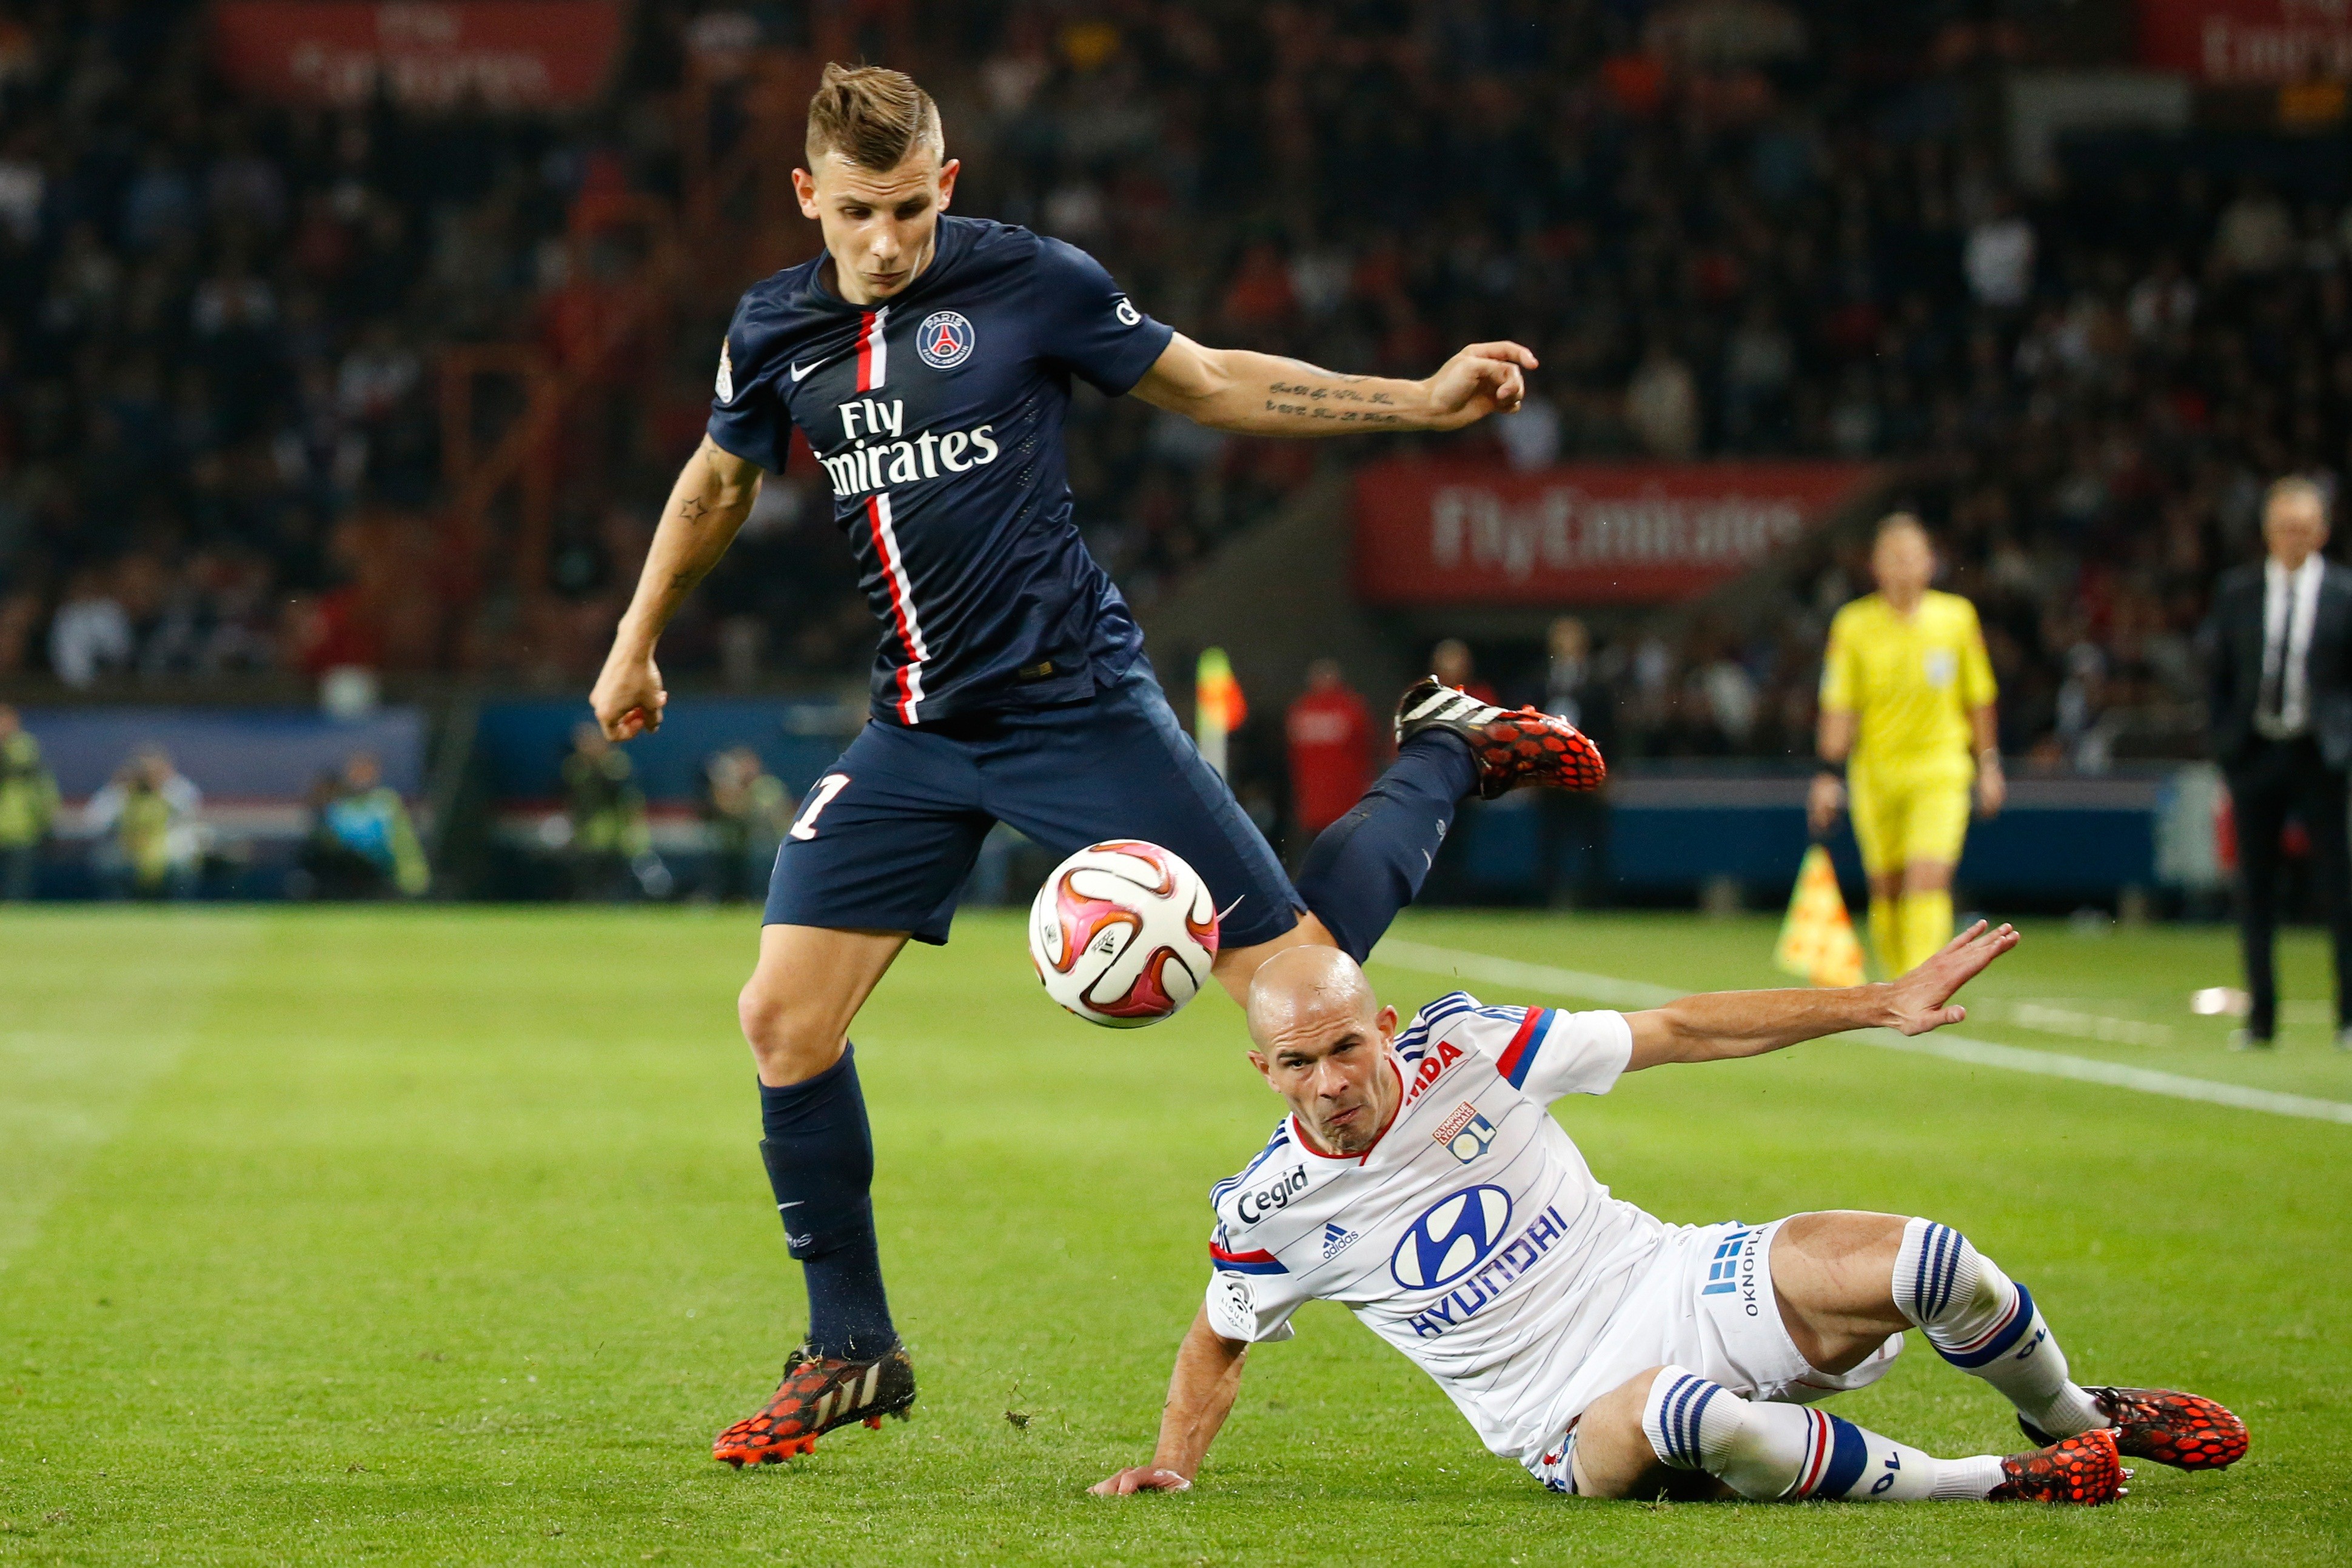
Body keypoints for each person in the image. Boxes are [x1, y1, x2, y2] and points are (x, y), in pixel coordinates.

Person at [585, 62, 1603, 1466]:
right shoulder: (772, 328)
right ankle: (851, 1347)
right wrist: (638, 638)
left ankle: (1439, 751)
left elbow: (1211, 381)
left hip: (1079, 708)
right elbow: (719, 478)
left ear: (946, 187)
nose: (885, 241)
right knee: (782, 1020)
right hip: (916, 730)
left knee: (1314, 994)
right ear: (809, 198)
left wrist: (1417, 404)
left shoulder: (1034, 283)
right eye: (857, 213)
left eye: (908, 209)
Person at [1093, 939, 2246, 1506]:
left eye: (1348, 1045)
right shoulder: (1269, 1209)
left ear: (1384, 1025)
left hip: (1664, 1277)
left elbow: (1682, 1028)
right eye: (1297, 1061)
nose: (1330, 1079)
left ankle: (2076, 1416)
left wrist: (1873, 1002)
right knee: (1672, 1408)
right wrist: (1170, 1467)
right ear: (1263, 1068)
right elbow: (1216, 1341)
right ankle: (1991, 1481)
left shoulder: (1473, 1050)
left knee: (1934, 1262)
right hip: (1567, 1418)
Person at [1809, 515, 2003, 978]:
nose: (1902, 567)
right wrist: (1825, 775)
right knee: (1888, 889)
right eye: (1891, 558)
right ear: (1875, 566)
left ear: (1930, 563)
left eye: (1911, 556)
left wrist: (1989, 765)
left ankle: (1923, 982)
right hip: (1875, 774)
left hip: (1940, 770)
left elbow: (1978, 698)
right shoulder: (1853, 624)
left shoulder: (1956, 618)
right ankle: (1897, 980)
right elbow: (1840, 705)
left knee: (1928, 878)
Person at [2203, 476, 2352, 1051]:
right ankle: (2261, 1019)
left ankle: (2347, 1016)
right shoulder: (2236, 592)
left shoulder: (2343, 593)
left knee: (2337, 888)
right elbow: (2217, 673)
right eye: (2285, 527)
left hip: (2320, 755)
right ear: (2267, 530)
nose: (2295, 538)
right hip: (2256, 752)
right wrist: (2225, 743)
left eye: (2305, 527)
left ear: (2322, 530)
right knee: (2254, 889)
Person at [1538, 617, 1612, 906]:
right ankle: (1549, 902)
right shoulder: (1541, 679)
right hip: (1550, 776)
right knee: (1550, 842)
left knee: (1593, 842)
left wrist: (1610, 769)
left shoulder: (1597, 682)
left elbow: (1609, 728)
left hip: (1586, 773)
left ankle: (1596, 903)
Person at [299, 752, 428, 899]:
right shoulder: (338, 806)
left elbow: (404, 841)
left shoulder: (386, 802)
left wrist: (413, 872)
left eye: (366, 773)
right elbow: (325, 843)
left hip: (380, 873)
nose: (361, 778)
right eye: (357, 773)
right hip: (344, 875)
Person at [563, 722, 660, 901]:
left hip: (618, 833)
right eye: (582, 742)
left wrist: (634, 830)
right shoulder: (576, 767)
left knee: (620, 879)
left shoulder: (617, 765)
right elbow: (574, 802)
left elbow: (629, 799)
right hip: (588, 835)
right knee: (590, 878)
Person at [87, 746, 201, 899]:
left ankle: (178, 907)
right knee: (107, 861)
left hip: (166, 852)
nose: (147, 777)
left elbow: (191, 818)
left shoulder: (176, 788)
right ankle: (117, 906)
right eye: (143, 771)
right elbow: (95, 820)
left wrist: (161, 791)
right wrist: (121, 792)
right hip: (127, 852)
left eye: (153, 771)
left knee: (183, 860)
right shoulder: (120, 790)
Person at [1284, 658, 1373, 848]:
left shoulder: (1300, 710)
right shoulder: (1351, 708)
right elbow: (1366, 751)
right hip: (1346, 803)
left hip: (1311, 802)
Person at [701, 746, 792, 902]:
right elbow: (723, 810)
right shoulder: (730, 788)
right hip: (735, 847)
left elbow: (762, 815)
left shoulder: (767, 786)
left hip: (766, 845)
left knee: (758, 868)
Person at [0, 704, 58, 900]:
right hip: (15, 828)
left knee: (17, 888)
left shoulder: (26, 751)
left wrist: (47, 817)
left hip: (20, 830)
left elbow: (44, 788)